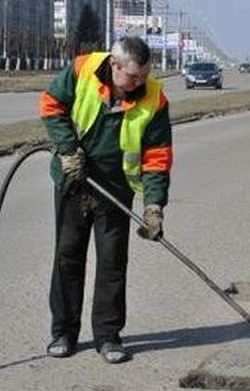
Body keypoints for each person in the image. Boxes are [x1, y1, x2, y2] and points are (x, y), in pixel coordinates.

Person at [39, 36, 173, 364]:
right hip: (73, 181)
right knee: (67, 258)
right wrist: (68, 149)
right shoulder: (83, 69)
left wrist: (154, 206)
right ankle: (64, 332)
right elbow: (51, 105)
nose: (138, 83)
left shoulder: (154, 98)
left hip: (114, 191)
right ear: (113, 65)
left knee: (113, 263)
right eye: (132, 77)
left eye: (143, 76)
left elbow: (157, 156)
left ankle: (108, 336)